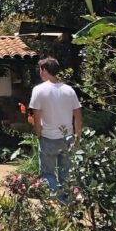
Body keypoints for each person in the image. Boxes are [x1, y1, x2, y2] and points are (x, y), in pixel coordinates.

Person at [28, 56, 82, 193]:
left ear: (44, 70)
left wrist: (39, 135)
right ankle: (68, 203)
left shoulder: (38, 90)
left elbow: (37, 117)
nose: (40, 73)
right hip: (67, 137)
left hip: (48, 138)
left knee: (48, 175)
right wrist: (77, 138)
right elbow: (78, 116)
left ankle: (58, 200)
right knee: (67, 175)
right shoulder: (69, 90)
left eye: (40, 70)